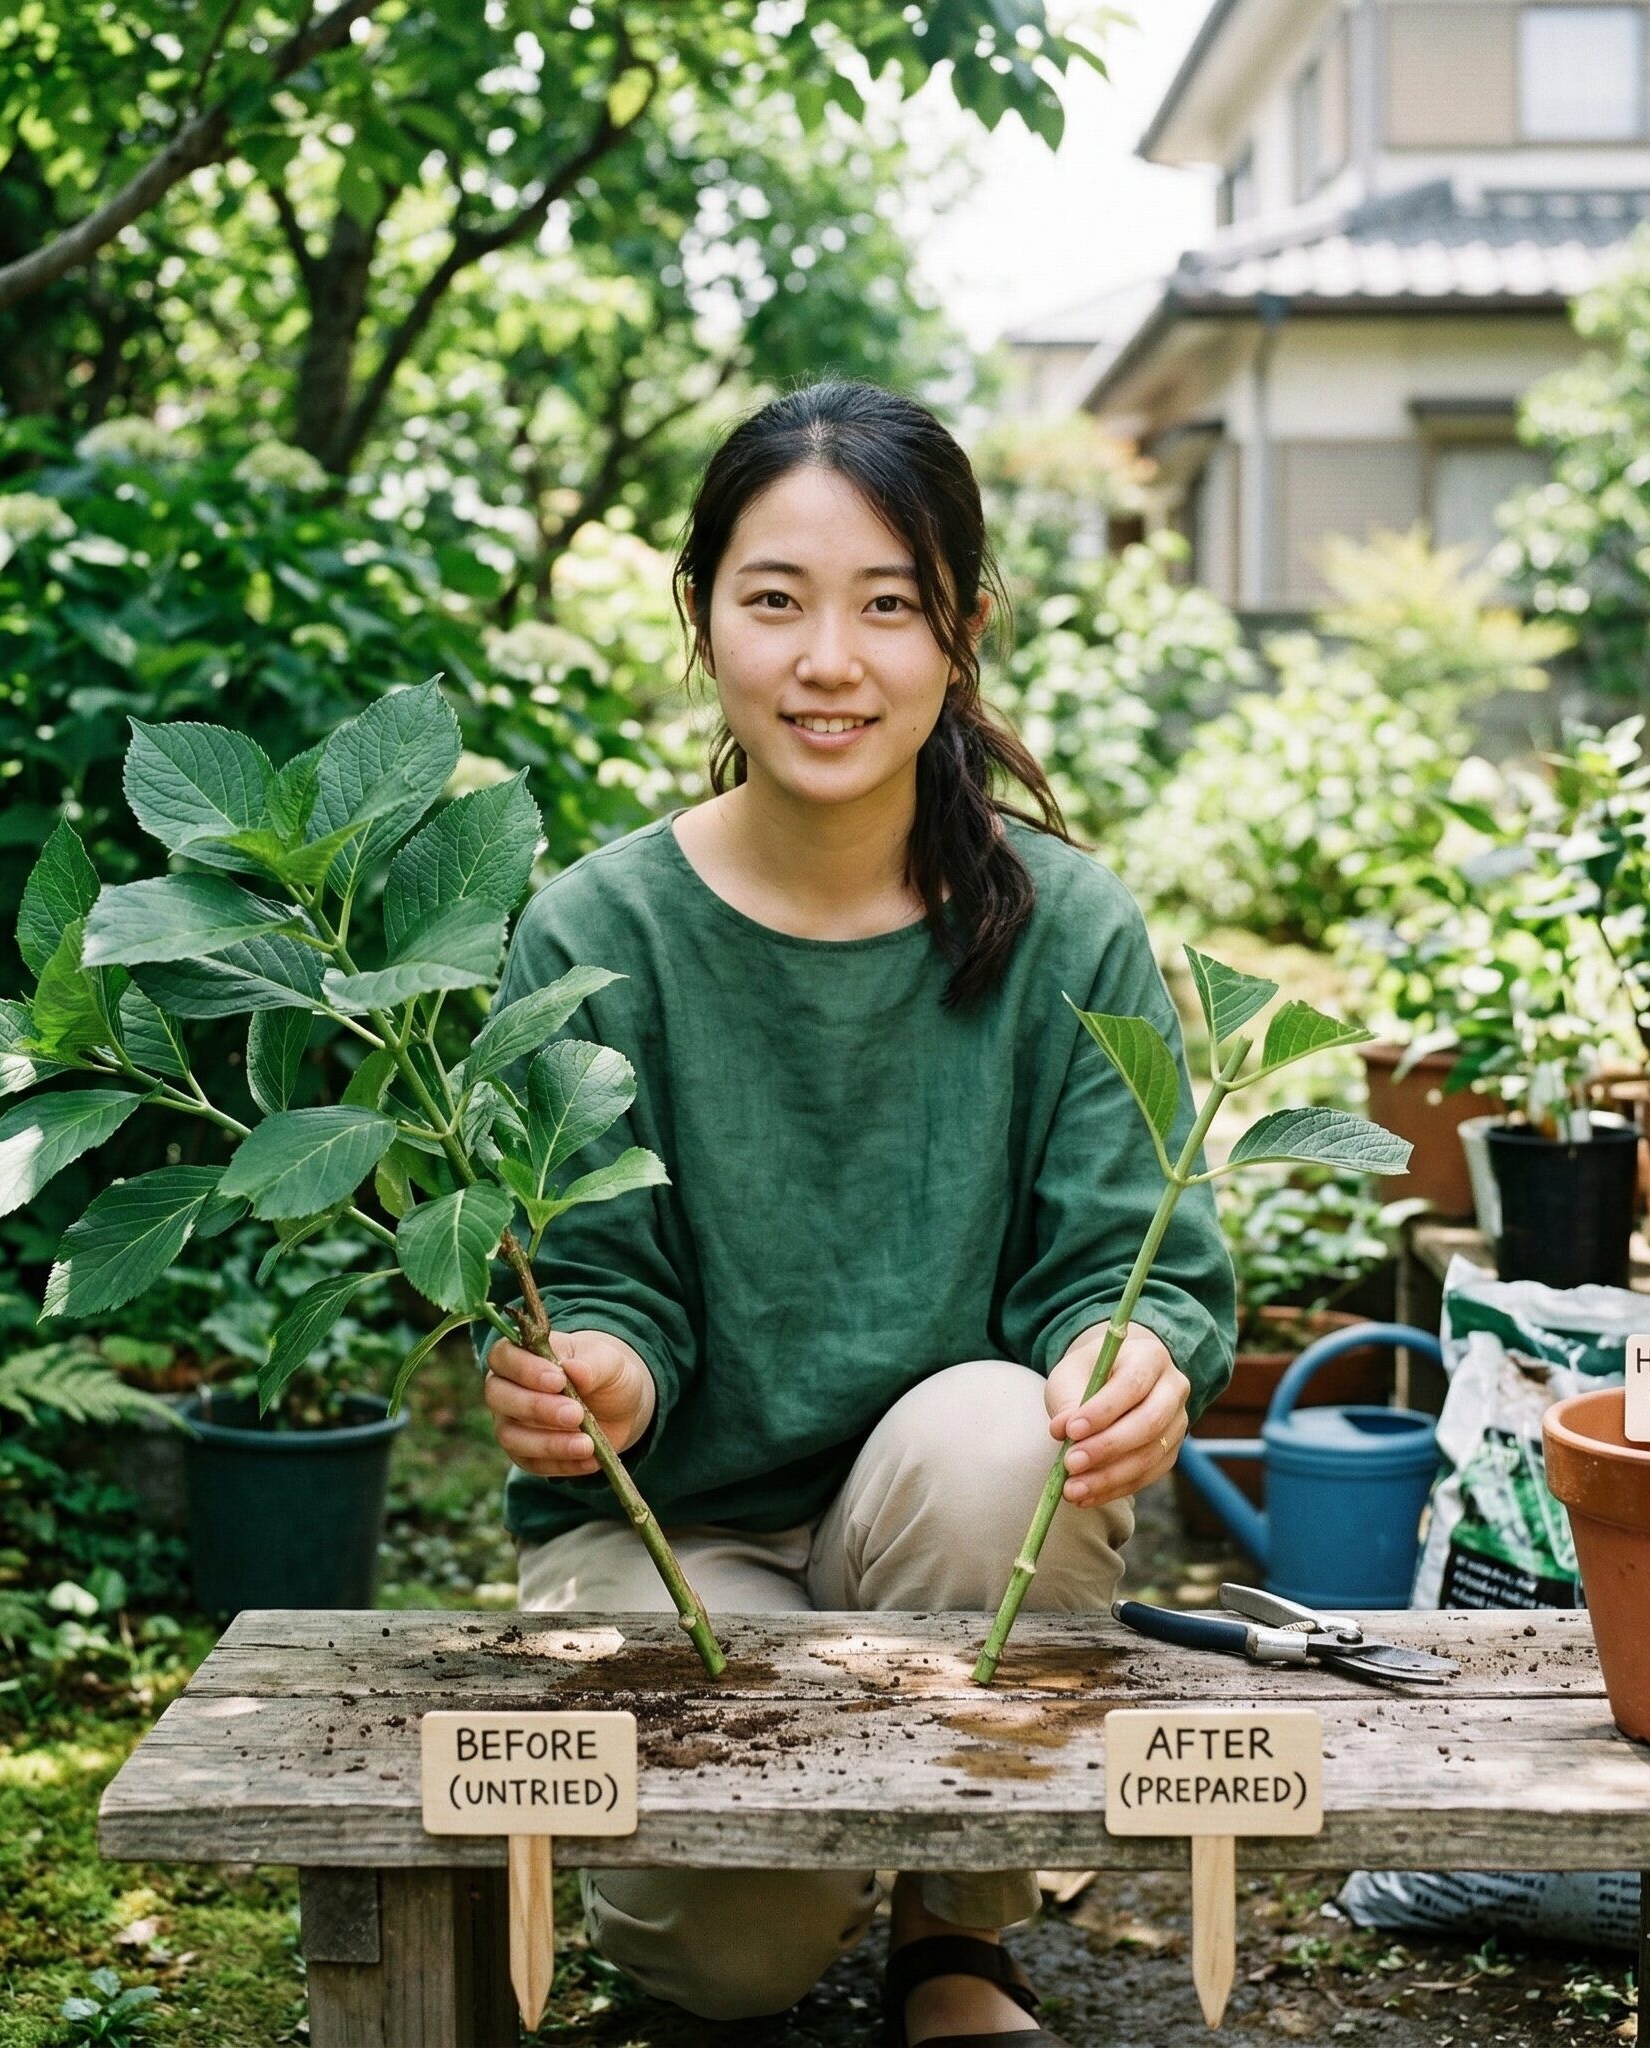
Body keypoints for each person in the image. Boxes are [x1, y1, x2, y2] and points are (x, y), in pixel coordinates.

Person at [475, 378, 1236, 2047]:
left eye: (889, 605)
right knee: (731, 1964)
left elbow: (1128, 1258)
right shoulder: (592, 932)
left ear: (961, 631)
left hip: (936, 1509)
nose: (832, 661)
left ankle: (956, 1939)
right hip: (675, 1533)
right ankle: (792, 1880)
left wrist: (1135, 1351)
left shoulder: (1069, 930)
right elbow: (590, 1275)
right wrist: (589, 1367)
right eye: (777, 601)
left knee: (1008, 1446)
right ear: (701, 618)